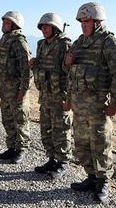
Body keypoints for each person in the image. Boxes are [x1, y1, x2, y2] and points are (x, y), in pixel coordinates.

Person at [65, 2, 116, 203]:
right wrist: (67, 65)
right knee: (82, 143)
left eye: (87, 21)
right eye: (81, 21)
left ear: (98, 22)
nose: (83, 25)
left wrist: (115, 103)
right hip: (79, 105)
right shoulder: (78, 43)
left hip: (99, 107)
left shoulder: (110, 43)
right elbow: (71, 76)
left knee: (100, 144)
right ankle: (90, 177)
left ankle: (103, 182)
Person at [29, 13, 72, 178]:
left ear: (56, 28)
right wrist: (34, 64)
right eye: (42, 27)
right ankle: (52, 159)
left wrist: (69, 99)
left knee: (60, 129)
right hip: (45, 94)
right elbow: (40, 65)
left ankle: (62, 162)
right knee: (46, 129)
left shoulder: (64, 45)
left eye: (47, 26)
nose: (44, 29)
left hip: (60, 95)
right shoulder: (41, 44)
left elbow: (69, 71)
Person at [0, 11, 32, 164]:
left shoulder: (19, 42)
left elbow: (26, 69)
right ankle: (11, 147)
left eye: (7, 23)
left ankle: (21, 149)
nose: (3, 25)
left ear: (15, 25)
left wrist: (23, 91)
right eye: (3, 22)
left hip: (16, 89)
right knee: (7, 118)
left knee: (20, 119)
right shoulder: (3, 40)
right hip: (4, 88)